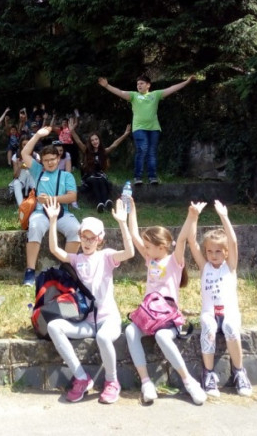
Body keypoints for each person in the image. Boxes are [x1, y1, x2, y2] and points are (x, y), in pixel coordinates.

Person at [44, 198, 134, 403]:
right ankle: (81, 377)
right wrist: (53, 220)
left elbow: (129, 252)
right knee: (53, 326)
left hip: (108, 319)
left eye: (91, 238)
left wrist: (122, 222)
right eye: (84, 237)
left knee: (103, 337)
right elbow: (55, 250)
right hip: (86, 321)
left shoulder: (107, 256)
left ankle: (112, 381)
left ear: (100, 239)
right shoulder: (76, 259)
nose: (87, 241)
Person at [124, 202, 207, 406]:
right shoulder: (150, 259)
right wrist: (131, 208)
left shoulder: (173, 261)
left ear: (161, 247)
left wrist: (192, 216)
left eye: (148, 246)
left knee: (162, 336)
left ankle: (189, 381)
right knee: (130, 331)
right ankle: (146, 382)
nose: (145, 249)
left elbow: (182, 239)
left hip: (168, 318)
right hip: (148, 317)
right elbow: (134, 234)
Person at [188, 200, 253, 397]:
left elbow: (233, 242)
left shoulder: (230, 267)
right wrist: (194, 216)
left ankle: (239, 371)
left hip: (229, 312)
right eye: (209, 251)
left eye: (218, 251)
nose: (213, 255)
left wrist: (224, 216)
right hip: (210, 312)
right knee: (208, 328)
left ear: (225, 253)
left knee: (231, 328)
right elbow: (192, 241)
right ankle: (208, 374)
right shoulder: (204, 266)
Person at [98, 74, 193, 185]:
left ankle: (152, 177)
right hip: (139, 128)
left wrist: (187, 82)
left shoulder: (155, 95)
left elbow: (172, 89)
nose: (139, 85)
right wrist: (107, 86)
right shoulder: (134, 96)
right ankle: (137, 177)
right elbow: (120, 92)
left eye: (141, 83)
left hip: (154, 128)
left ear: (148, 85)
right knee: (142, 149)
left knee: (151, 152)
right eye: (137, 84)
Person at [20, 126, 81, 286]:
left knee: (76, 229)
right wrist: (37, 135)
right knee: (35, 227)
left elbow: (72, 196)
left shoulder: (66, 175)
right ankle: (30, 270)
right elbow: (24, 154)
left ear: (58, 158)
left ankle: (66, 269)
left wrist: (50, 199)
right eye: (46, 160)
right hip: (41, 212)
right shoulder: (38, 171)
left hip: (61, 213)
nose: (50, 163)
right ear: (42, 161)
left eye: (53, 159)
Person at [71, 120, 131, 213]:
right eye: (92, 140)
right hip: (88, 177)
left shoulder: (103, 151)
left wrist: (125, 134)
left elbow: (114, 145)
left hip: (100, 175)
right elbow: (78, 141)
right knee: (95, 180)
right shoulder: (86, 150)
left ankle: (107, 202)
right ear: (90, 142)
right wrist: (72, 131)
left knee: (102, 180)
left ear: (99, 140)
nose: (94, 141)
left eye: (96, 139)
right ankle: (100, 203)